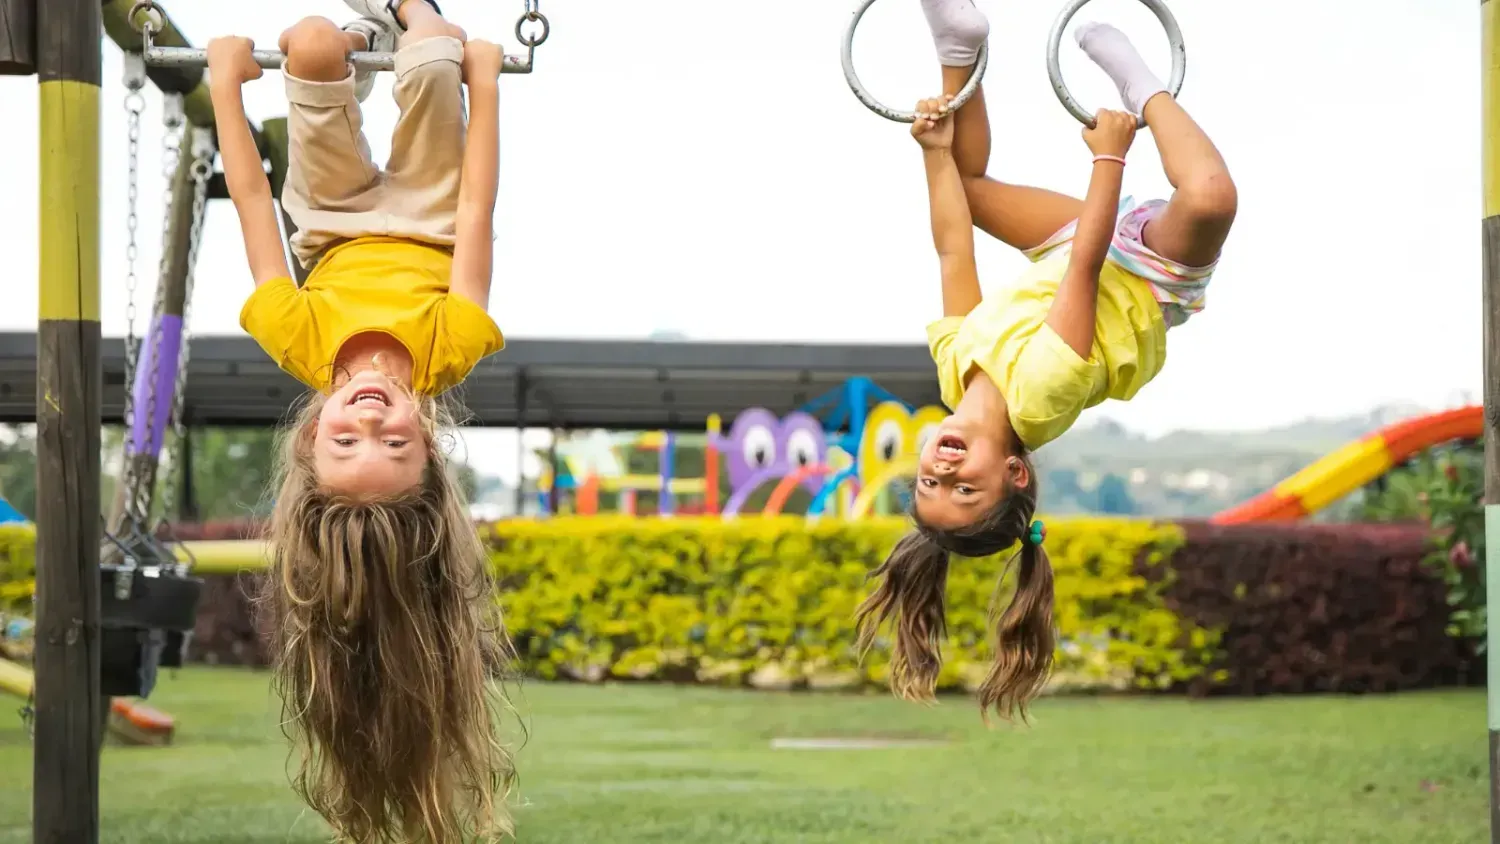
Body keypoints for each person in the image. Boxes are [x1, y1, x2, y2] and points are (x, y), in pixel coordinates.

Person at [856, 0, 1237, 723]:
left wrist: (933, 152)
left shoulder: (954, 373)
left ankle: (958, 46)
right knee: (1213, 197)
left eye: (929, 482)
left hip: (1068, 246)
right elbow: (1086, 273)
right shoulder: (1040, 395)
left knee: (965, 190)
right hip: (1147, 274)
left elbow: (951, 247)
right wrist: (1111, 155)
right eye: (963, 490)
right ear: (1013, 474)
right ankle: (1143, 83)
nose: (942, 471)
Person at [206, 0, 515, 840]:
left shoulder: (298, 341)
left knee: (307, 42)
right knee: (431, 56)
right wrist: (485, 89)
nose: (371, 420)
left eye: (347, 441)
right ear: (430, 441)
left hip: (330, 222)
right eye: (396, 443)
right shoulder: (452, 346)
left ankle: (359, 44)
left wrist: (226, 87)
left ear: (311, 435)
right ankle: (412, 14)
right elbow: (479, 212)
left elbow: (250, 202)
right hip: (433, 214)